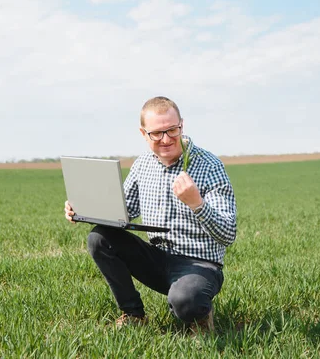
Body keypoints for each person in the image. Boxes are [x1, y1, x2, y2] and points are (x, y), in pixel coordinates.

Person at [64, 96, 237, 333]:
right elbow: (122, 213)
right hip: (156, 259)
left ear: (181, 126)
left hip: (199, 265)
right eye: (156, 133)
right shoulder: (142, 164)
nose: (165, 139)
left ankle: (198, 314)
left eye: (172, 130)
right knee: (99, 238)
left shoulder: (209, 166)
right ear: (143, 133)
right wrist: (83, 210)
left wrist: (197, 203)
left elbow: (228, 234)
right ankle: (133, 314)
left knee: (186, 300)